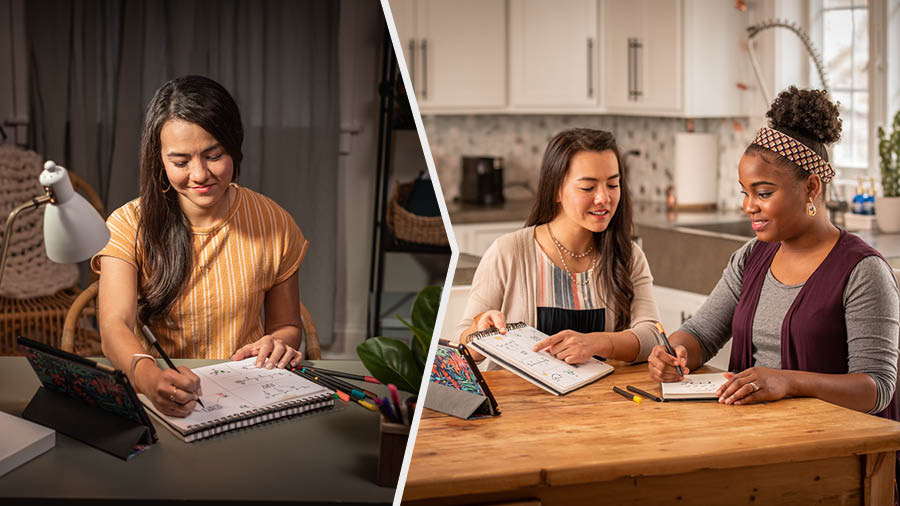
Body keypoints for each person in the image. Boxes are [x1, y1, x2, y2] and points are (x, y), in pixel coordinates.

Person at [648, 86, 899, 419]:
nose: (748, 206)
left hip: (837, 448)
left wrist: (788, 382)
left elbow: (876, 388)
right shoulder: (751, 257)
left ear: (811, 187)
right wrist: (674, 353)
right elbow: (701, 334)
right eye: (745, 193)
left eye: (763, 192)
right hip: (758, 434)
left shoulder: (863, 271)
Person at [92, 76, 308, 417]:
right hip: (158, 391)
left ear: (234, 148)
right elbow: (113, 326)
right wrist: (151, 379)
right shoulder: (127, 224)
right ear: (159, 160)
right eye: (180, 162)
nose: (199, 174)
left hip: (247, 394)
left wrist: (278, 344)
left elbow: (288, 326)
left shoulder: (274, 223)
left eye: (213, 155)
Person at [456, 128, 661, 368]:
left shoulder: (629, 257)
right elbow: (463, 349)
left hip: (602, 403)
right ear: (556, 190)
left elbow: (652, 336)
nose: (604, 198)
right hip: (521, 403)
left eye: (613, 185)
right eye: (588, 188)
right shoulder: (508, 251)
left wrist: (597, 343)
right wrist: (479, 333)